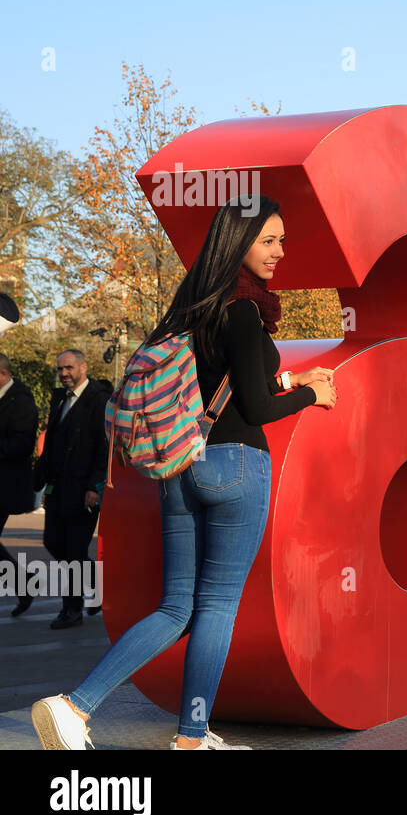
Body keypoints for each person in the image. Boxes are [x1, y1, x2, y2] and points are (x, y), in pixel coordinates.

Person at [31, 196, 338, 751]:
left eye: (282, 241)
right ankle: (192, 737)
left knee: (177, 607)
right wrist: (313, 394)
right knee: (217, 606)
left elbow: (232, 389)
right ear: (238, 243)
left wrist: (289, 380)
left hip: (181, 468)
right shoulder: (244, 312)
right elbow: (258, 410)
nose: (280, 252)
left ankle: (73, 707)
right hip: (236, 466)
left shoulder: (191, 310)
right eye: (269, 240)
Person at [32, 351, 111, 629]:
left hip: (84, 490)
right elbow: (52, 445)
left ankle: (71, 609)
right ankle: (97, 585)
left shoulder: (99, 400)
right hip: (59, 488)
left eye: (69, 367)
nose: (64, 373)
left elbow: (105, 447)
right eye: (60, 369)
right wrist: (42, 483)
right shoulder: (60, 400)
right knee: (53, 542)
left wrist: (95, 487)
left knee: (74, 550)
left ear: (83, 367)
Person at [0, 354, 39, 617]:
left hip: (6, 485)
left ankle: (24, 585)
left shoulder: (21, 400)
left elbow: (23, 445)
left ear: (2, 374)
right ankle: (24, 585)